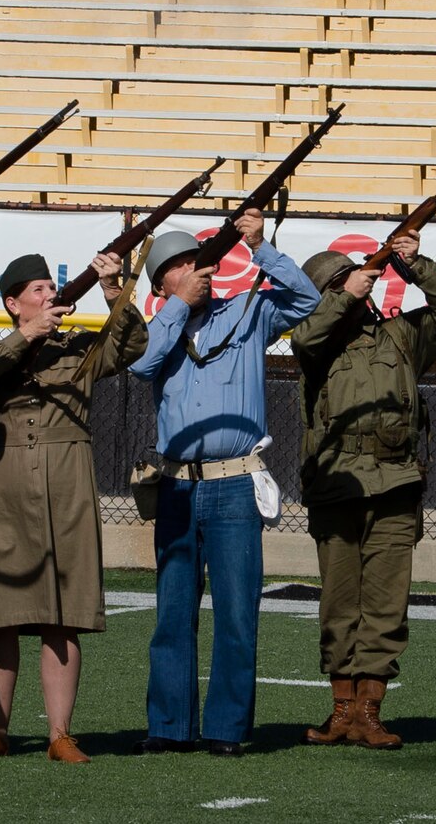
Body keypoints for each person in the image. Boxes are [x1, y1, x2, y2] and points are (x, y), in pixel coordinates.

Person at [129, 210, 321, 756]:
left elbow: (307, 302)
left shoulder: (247, 312)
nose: (195, 270)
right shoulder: (159, 329)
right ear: (162, 281)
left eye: (198, 260)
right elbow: (141, 364)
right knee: (172, 614)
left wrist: (262, 248)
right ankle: (168, 727)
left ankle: (226, 728)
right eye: (180, 266)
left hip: (236, 483)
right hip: (176, 486)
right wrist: (176, 308)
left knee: (237, 612)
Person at [0, 250, 149, 764]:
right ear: (13, 303)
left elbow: (131, 346)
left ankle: (60, 733)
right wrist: (28, 334)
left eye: (50, 287)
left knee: (62, 614)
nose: (47, 297)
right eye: (36, 291)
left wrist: (114, 292)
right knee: (0, 614)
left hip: (67, 484)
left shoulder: (80, 348)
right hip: (7, 482)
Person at [289, 230, 436, 750]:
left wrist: (415, 265)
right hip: (336, 483)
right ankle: (340, 709)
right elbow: (305, 338)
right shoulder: (314, 335)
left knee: (387, 606)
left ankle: (370, 711)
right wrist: (348, 292)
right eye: (340, 284)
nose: (355, 288)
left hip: (394, 482)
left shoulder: (399, 336)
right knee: (339, 604)